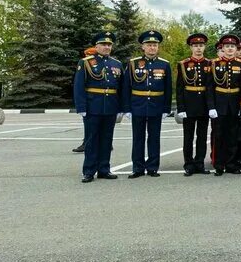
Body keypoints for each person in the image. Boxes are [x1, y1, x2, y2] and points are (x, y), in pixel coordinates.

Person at [73, 32, 124, 183]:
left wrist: (121, 107)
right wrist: (81, 107)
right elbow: (79, 86)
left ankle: (104, 169)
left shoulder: (117, 64)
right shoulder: (86, 62)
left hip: (110, 106)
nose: (106, 47)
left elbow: (120, 88)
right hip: (92, 106)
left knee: (107, 139)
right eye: (103, 44)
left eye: (109, 45)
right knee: (91, 139)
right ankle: (89, 171)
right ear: (96, 46)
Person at [122, 30, 173, 179]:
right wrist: (126, 108)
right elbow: (126, 87)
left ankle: (152, 167)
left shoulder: (164, 65)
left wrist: (166, 108)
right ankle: (137, 168)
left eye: (155, 45)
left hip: (156, 106)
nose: (152, 48)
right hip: (137, 105)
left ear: (158, 47)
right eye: (149, 45)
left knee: (154, 138)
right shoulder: (133, 63)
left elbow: (168, 88)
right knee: (138, 138)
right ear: (143, 47)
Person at [206, 34, 241, 176]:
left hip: (235, 103)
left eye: (232, 46)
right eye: (227, 46)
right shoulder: (214, 64)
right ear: (223, 48)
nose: (230, 49)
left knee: (233, 135)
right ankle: (219, 164)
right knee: (219, 135)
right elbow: (210, 87)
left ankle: (231, 164)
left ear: (236, 49)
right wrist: (211, 106)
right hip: (219, 103)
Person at [176, 33, 211, 175]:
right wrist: (181, 107)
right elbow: (179, 87)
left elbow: (210, 87)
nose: (198, 48)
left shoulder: (209, 63)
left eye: (201, 46)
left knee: (202, 136)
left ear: (204, 47)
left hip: (204, 104)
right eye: (195, 46)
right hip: (189, 104)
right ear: (191, 47)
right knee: (188, 136)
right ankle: (189, 163)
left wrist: (211, 106)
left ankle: (200, 162)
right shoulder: (183, 64)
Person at [71, 46, 97, 153]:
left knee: (90, 125)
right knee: (90, 124)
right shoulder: (86, 64)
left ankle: (87, 144)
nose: (87, 57)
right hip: (90, 100)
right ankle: (87, 142)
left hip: (92, 100)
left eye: (89, 55)